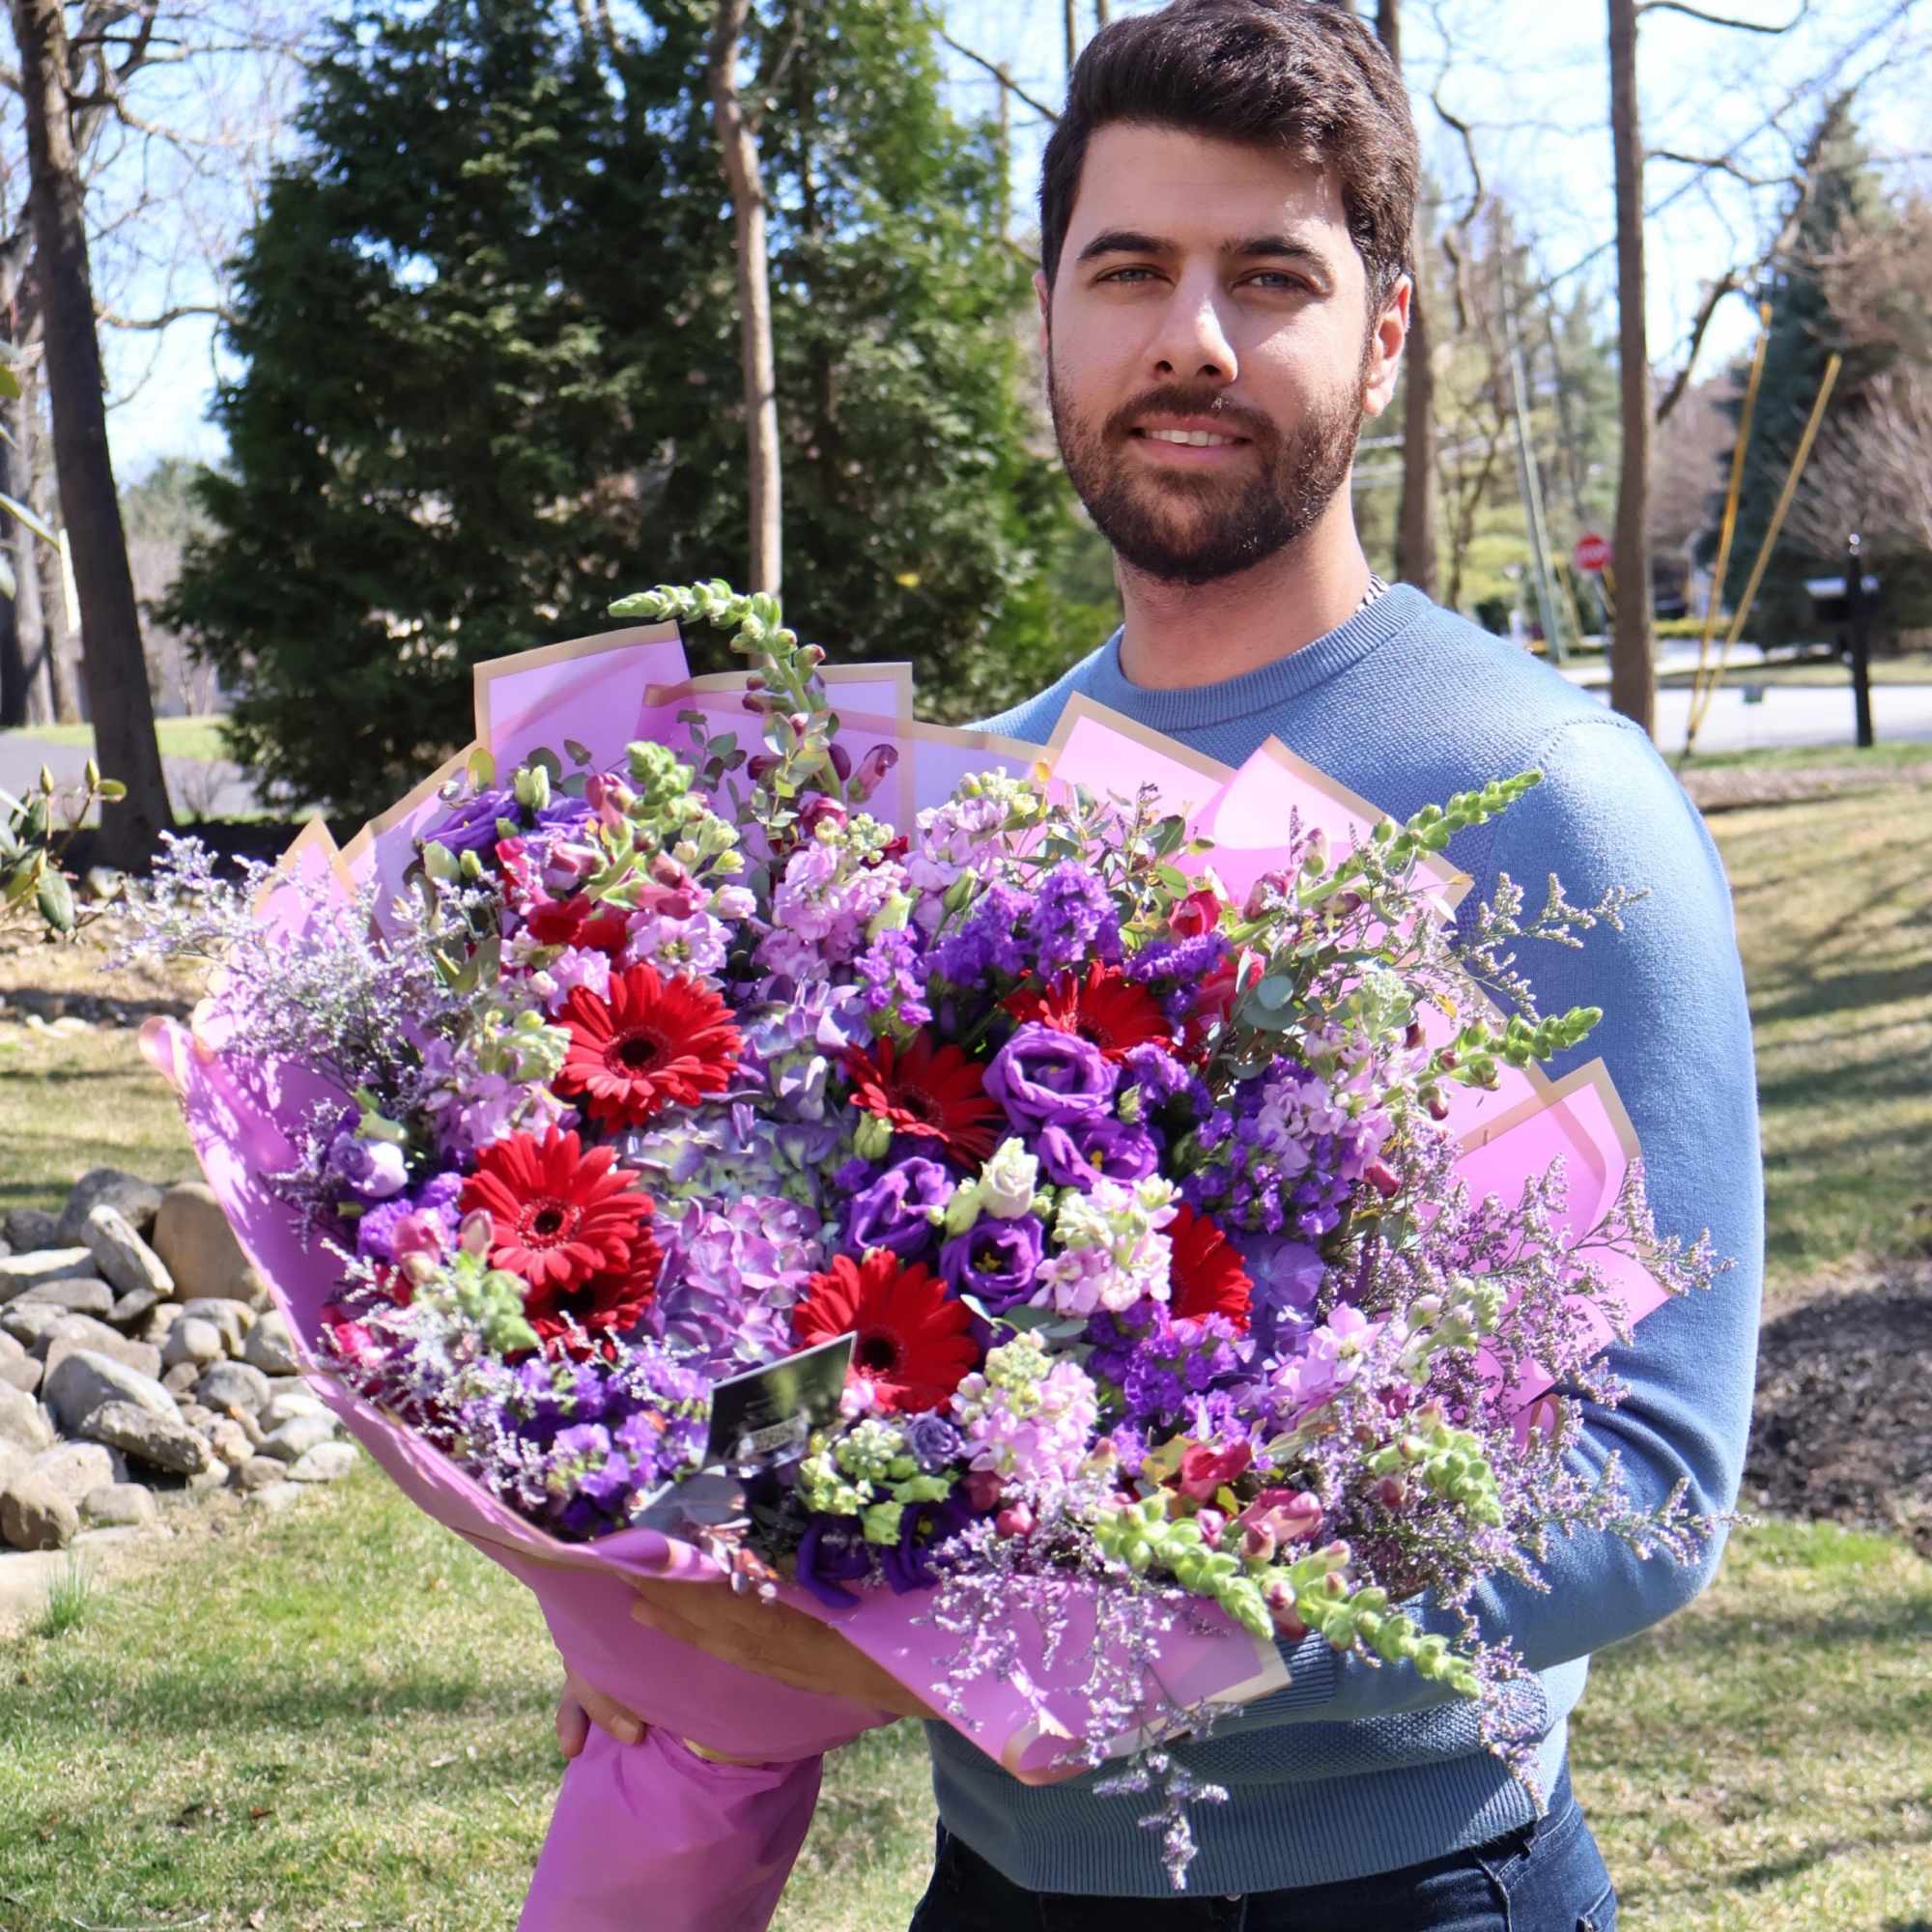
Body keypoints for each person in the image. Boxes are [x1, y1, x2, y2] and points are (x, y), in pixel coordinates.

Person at [559, 3, 1763, 1925]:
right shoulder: (969, 807)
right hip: (992, 1887)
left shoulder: (1555, 802)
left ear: (1384, 331)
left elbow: (1649, 1488)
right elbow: (853, 1318)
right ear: (1048, 320)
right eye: (1127, 270)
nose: (1190, 336)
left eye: (1268, 276)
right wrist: (673, 1564)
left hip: (1410, 1889)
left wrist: (1049, 1627)